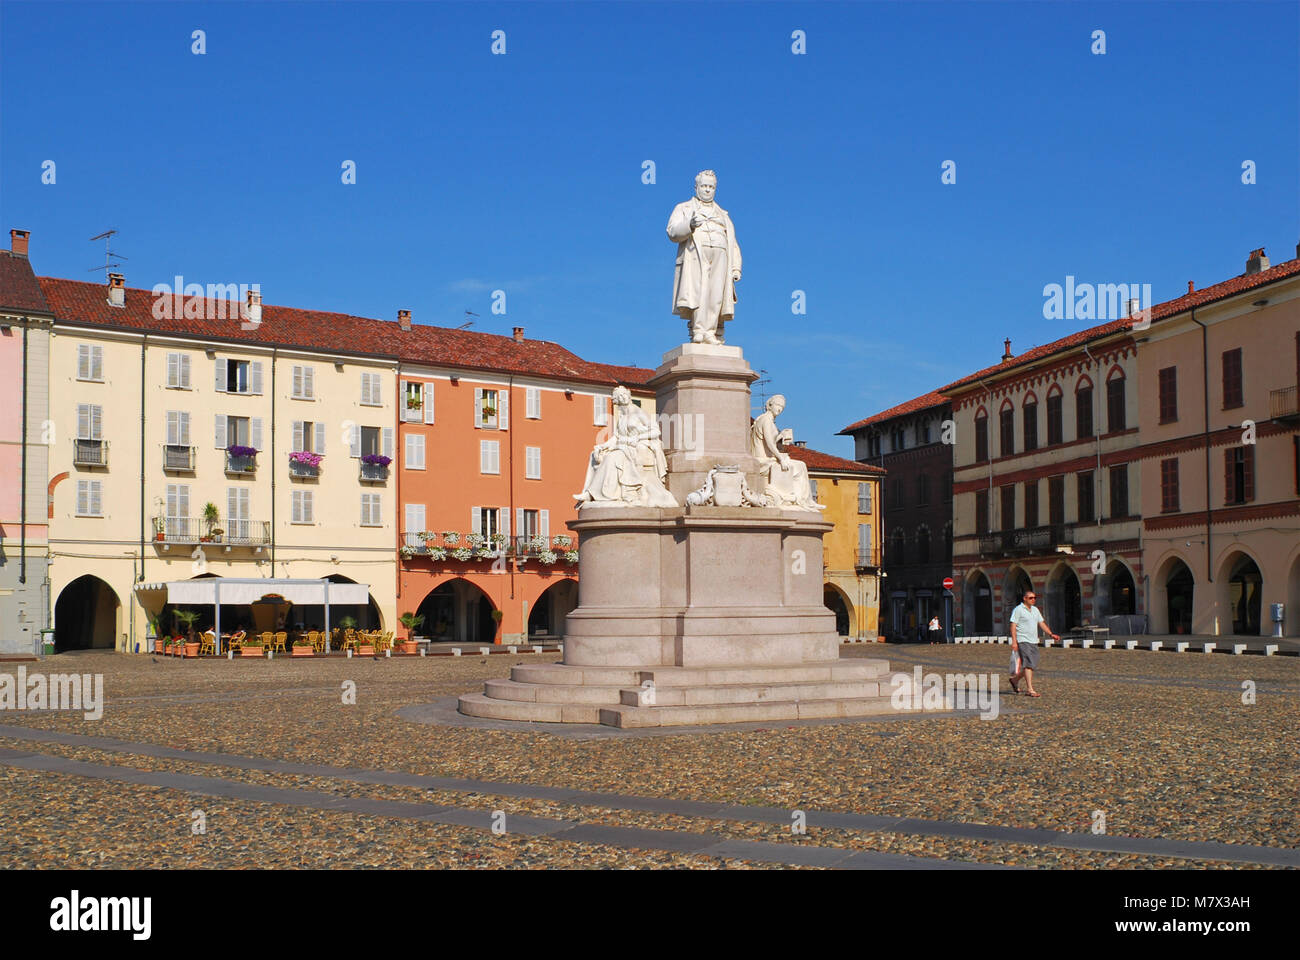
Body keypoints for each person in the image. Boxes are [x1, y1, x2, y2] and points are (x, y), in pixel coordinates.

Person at [667, 170, 742, 344]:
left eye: (711, 187)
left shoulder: (723, 214)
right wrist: (689, 225)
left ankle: (711, 331)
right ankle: (698, 329)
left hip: (720, 254)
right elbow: (672, 232)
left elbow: (734, 243)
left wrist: (736, 267)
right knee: (700, 292)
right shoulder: (684, 208)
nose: (707, 190)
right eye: (704, 186)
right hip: (696, 256)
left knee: (716, 293)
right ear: (696, 187)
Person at [1008, 589, 1060, 697]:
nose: (1033, 600)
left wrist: (1051, 634)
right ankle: (1030, 690)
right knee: (1028, 664)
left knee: (1032, 665)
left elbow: (1041, 623)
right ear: (1025, 598)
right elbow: (1013, 625)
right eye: (1031, 598)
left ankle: (1015, 680)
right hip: (1023, 640)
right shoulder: (1018, 610)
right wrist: (1014, 642)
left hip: (1034, 641)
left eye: (1035, 598)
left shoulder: (1035, 610)